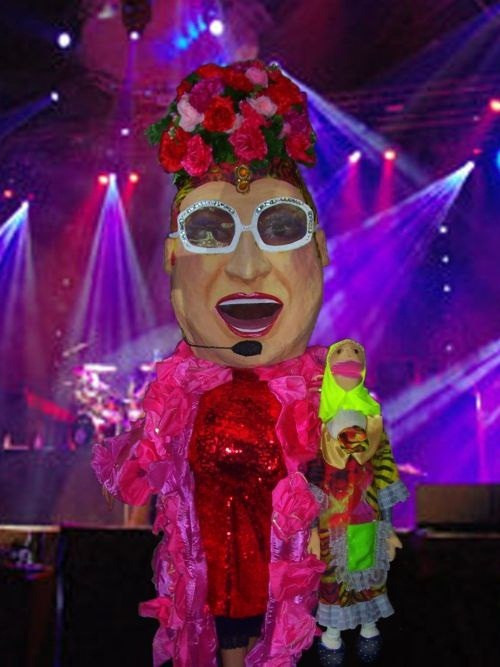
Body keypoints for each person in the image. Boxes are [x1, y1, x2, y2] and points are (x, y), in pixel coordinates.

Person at [92, 60, 330, 667]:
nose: (247, 267)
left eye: (281, 226)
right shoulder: (178, 396)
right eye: (210, 230)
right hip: (210, 596)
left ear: (320, 250)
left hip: (297, 606)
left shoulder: (324, 396)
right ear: (173, 258)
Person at [309, 339, 408, 665]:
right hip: (330, 518)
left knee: (369, 573)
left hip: (367, 514)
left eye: (356, 356)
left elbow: (384, 471)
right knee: (333, 577)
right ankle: (333, 635)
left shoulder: (373, 419)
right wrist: (310, 528)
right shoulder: (316, 419)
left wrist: (389, 528)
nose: (349, 359)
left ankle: (368, 628)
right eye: (340, 354)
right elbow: (311, 474)